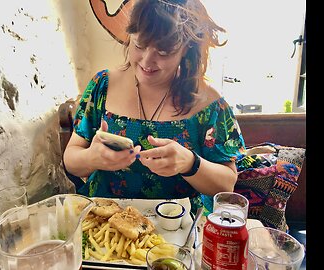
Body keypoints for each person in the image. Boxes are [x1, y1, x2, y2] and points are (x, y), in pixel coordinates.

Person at [63, 0, 245, 215]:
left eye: (164, 51)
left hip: (176, 228)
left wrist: (190, 164)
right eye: (139, 45)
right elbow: (71, 159)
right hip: (105, 223)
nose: (148, 61)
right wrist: (91, 158)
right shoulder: (102, 85)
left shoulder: (209, 104)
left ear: (186, 49)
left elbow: (226, 185)